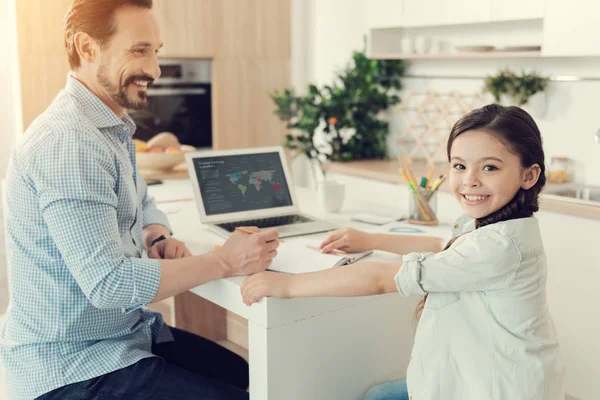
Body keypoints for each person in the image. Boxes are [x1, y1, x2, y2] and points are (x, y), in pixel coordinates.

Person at [0, 1, 279, 399]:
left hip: (121, 334)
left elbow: (142, 200)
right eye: (139, 50)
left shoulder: (107, 127)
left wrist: (155, 235)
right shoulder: (70, 143)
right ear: (87, 47)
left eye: (156, 51)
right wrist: (225, 260)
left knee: (242, 373)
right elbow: (109, 284)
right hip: (69, 365)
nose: (155, 69)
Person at [241, 104, 565, 400]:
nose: (470, 181)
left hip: (496, 387)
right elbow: (442, 246)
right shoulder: (491, 225)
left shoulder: (500, 245)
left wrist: (286, 285)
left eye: (490, 168)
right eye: (460, 165)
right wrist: (370, 239)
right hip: (480, 372)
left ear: (529, 175)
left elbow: (382, 279)